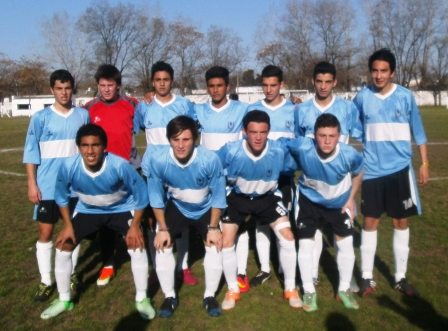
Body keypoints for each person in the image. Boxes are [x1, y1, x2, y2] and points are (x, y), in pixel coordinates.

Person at [40, 124, 155, 320]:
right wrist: (67, 226)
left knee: (137, 245)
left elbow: (142, 195)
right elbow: (61, 198)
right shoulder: (69, 166)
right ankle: (64, 299)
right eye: (85, 145)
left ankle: (142, 298)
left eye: (96, 145)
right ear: (78, 147)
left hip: (120, 209)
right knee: (63, 246)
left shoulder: (119, 166)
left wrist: (135, 226)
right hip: (88, 210)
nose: (90, 151)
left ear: (104, 147)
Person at [353, 48, 429, 297]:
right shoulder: (362, 98)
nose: (378, 75)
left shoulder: (406, 97)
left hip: (400, 170)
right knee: (370, 222)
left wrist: (424, 163)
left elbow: (418, 132)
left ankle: (400, 277)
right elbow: (354, 129)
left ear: (392, 72)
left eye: (384, 70)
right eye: (374, 70)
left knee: (400, 221)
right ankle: (366, 277)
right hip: (372, 170)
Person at [142, 115, 226, 318]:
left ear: (195, 139)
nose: (180, 145)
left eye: (186, 139)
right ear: (169, 139)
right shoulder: (159, 160)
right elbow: (155, 197)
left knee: (215, 245)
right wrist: (162, 229)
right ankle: (170, 296)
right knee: (161, 244)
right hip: (177, 207)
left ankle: (209, 295)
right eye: (175, 139)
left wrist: (214, 228)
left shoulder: (209, 159)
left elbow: (219, 196)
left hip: (205, 208)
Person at [217, 110, 301, 311]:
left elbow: (297, 165)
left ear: (268, 131)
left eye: (263, 132)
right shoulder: (230, 150)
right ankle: (232, 290)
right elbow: (213, 169)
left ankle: (291, 288)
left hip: (267, 199)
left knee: (288, 237)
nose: (258, 137)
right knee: (227, 242)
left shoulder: (278, 151)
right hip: (238, 198)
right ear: (244, 131)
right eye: (253, 131)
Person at [23, 69, 89, 302]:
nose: (64, 93)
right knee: (46, 232)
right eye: (59, 88)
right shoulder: (40, 118)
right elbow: (31, 153)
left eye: (67, 88)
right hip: (48, 187)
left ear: (73, 89)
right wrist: (32, 183)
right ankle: (46, 280)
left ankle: (70, 274)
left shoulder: (82, 116)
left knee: (73, 231)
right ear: (52, 90)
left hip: (75, 187)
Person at [286, 113, 363, 311]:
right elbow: (281, 145)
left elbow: (358, 172)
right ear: (314, 135)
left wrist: (351, 198)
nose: (327, 141)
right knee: (305, 244)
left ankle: (344, 289)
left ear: (339, 136)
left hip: (338, 204)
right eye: (322, 136)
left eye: (332, 136)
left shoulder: (349, 154)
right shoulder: (303, 147)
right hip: (308, 202)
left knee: (345, 244)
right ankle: (309, 291)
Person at [296, 61, 361, 290]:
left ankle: (346, 278)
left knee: (342, 235)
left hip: (340, 187)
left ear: (335, 82)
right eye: (319, 81)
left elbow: (356, 139)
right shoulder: (302, 109)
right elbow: (300, 145)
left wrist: (352, 195)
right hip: (313, 186)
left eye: (328, 82)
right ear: (313, 81)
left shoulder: (347, 108)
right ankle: (312, 274)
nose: (323, 86)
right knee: (312, 234)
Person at [135, 61, 198, 286]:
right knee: (154, 221)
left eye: (166, 80)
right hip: (153, 172)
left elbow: (194, 132)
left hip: (179, 170)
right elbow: (136, 127)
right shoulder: (144, 107)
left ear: (172, 81)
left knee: (181, 220)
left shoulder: (184, 105)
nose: (162, 84)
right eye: (158, 80)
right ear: (152, 82)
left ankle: (183, 266)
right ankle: (157, 266)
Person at [85, 64, 140, 286]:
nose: (106, 89)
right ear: (98, 85)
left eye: (111, 85)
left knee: (135, 217)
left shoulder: (131, 106)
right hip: (102, 172)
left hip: (128, 171)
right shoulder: (90, 108)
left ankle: (140, 259)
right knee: (105, 220)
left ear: (118, 85)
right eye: (102, 85)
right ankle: (108, 263)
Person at [244, 65, 298, 290]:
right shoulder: (253, 109)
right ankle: (265, 267)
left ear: (281, 85)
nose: (268, 89)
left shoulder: (294, 110)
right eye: (264, 85)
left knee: (282, 222)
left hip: (284, 176)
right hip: (259, 177)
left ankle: (284, 267)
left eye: (273, 85)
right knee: (260, 222)